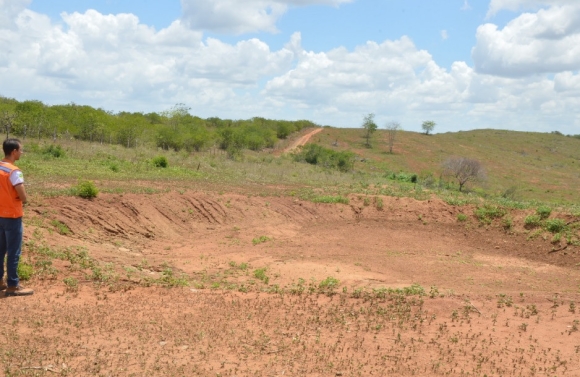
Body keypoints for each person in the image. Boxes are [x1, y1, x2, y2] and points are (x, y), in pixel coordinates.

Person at [0, 138, 33, 296]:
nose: (22, 152)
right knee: (13, 251)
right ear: (14, 152)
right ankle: (13, 285)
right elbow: (22, 194)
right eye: (20, 150)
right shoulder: (14, 171)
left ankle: (0, 281)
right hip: (12, 215)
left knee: (0, 250)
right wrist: (24, 199)